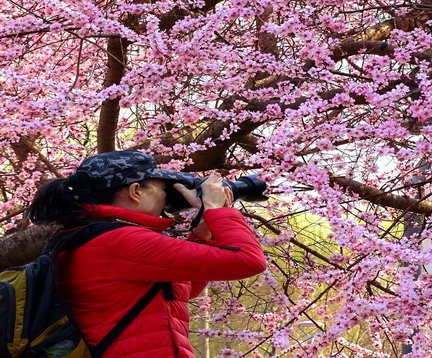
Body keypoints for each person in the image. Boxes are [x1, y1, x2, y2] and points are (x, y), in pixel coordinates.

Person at [28, 150, 266, 357]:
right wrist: (215, 209)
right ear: (135, 191)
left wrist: (201, 235)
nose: (165, 199)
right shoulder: (120, 240)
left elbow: (179, 289)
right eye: (162, 188)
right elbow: (248, 260)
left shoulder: (88, 235)